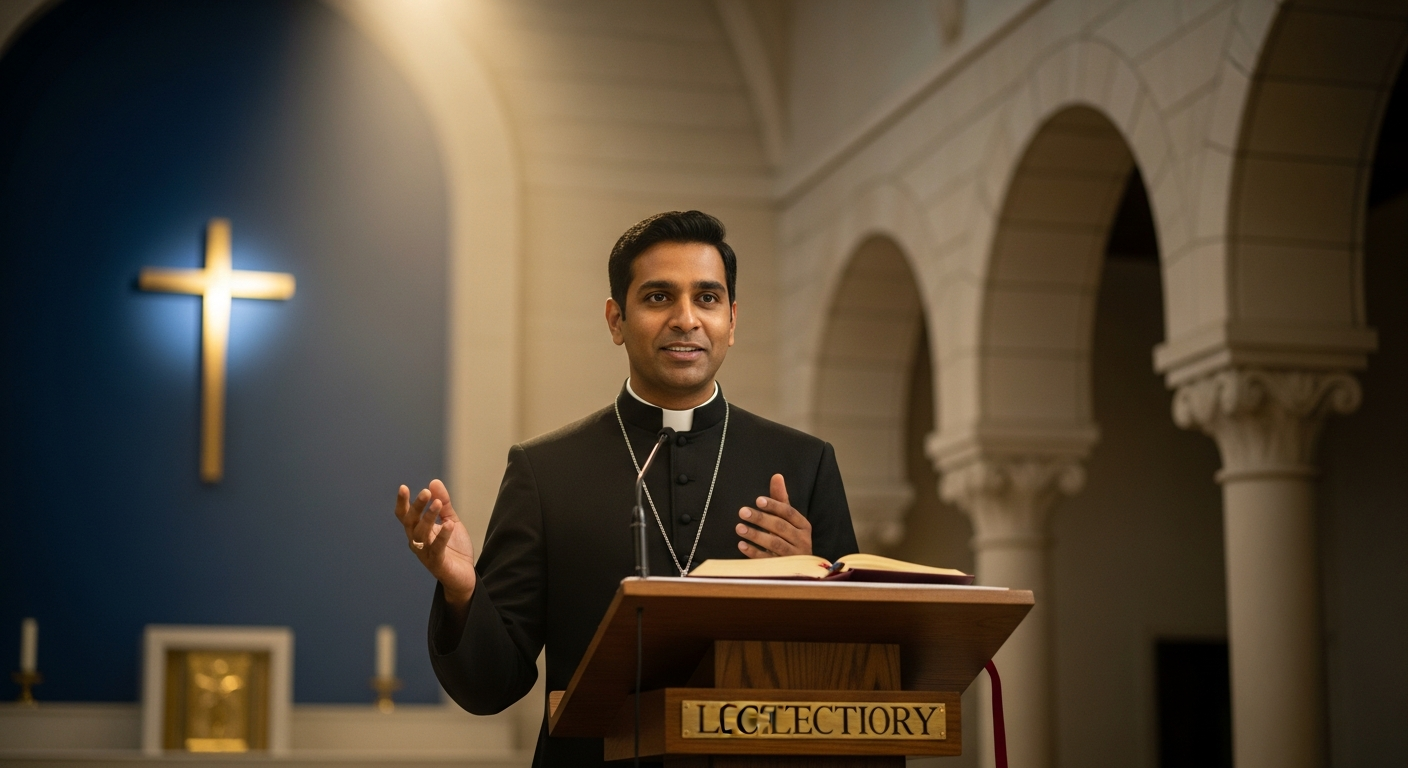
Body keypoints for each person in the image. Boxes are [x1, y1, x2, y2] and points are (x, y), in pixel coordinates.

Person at [392, 210, 858, 766]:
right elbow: (491, 688)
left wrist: (811, 580)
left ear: (732, 320)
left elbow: (855, 670)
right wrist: (464, 594)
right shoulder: (545, 471)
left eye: (707, 298)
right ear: (616, 320)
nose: (686, 319)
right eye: (659, 297)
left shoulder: (804, 464)